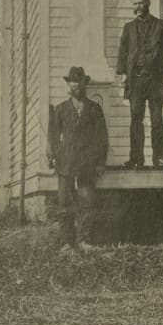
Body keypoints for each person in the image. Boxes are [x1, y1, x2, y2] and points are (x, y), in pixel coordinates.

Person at [47, 66, 108, 253]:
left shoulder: (95, 109)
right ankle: (67, 242)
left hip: (87, 163)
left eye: (80, 81)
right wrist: (53, 156)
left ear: (85, 83)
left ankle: (84, 240)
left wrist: (100, 162)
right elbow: (53, 136)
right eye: (73, 81)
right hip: (66, 162)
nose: (77, 85)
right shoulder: (60, 109)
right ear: (69, 84)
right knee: (64, 202)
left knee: (87, 201)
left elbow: (102, 138)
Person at [115, 0, 163, 168]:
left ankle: (159, 158)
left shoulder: (162, 25)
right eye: (134, 4)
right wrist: (124, 73)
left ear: (148, 3)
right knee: (136, 118)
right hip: (136, 79)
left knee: (157, 119)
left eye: (141, 3)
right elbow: (123, 52)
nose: (138, 7)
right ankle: (136, 158)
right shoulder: (128, 28)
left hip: (155, 79)